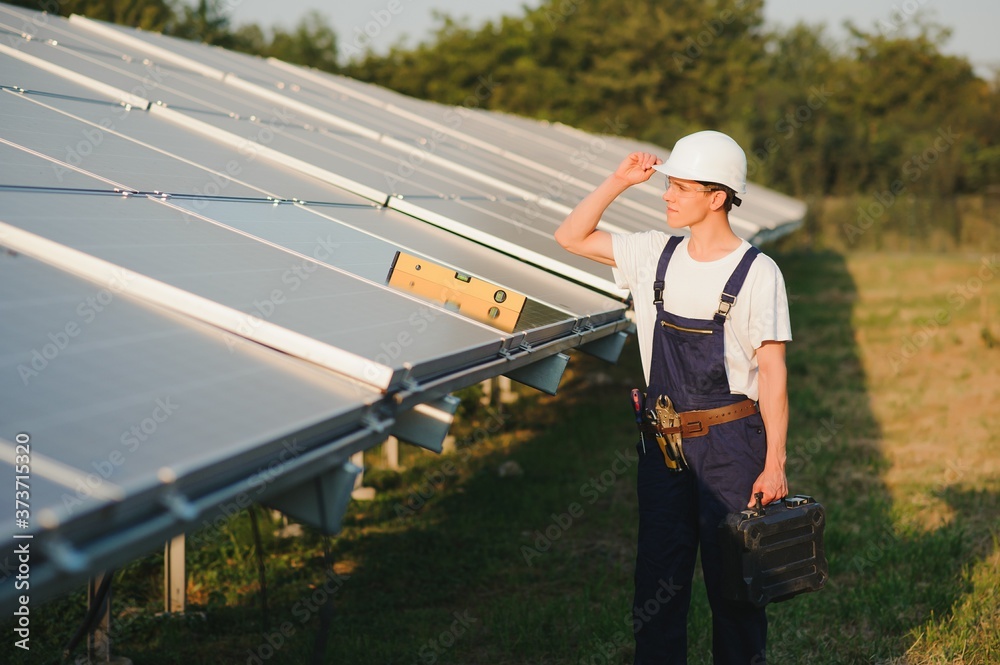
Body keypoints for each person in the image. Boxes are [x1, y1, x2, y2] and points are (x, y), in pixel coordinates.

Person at [554, 130, 791, 664]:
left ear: (717, 197)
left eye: (681, 187)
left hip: (732, 445)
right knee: (657, 588)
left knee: (736, 588)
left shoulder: (757, 272)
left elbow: (773, 372)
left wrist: (774, 463)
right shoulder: (651, 253)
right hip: (663, 446)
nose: (666, 195)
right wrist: (617, 181)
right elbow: (571, 235)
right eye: (669, 186)